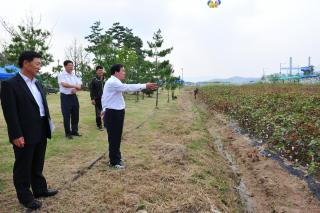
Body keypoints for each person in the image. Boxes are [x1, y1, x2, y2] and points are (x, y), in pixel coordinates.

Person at [0, 51, 58, 210]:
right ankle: (25, 196)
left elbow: (41, 106)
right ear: (26, 63)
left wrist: (48, 124)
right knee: (23, 164)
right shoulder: (10, 84)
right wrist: (16, 134)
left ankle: (39, 189)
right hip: (24, 131)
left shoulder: (37, 83)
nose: (40, 67)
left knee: (38, 161)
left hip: (40, 127)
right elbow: (10, 113)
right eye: (37, 63)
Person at [101, 64, 157, 169]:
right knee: (114, 137)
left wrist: (104, 109)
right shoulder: (113, 82)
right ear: (116, 72)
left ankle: (116, 158)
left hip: (116, 112)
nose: (124, 73)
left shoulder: (114, 82)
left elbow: (105, 97)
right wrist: (145, 85)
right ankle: (114, 162)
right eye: (123, 71)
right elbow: (127, 87)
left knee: (116, 137)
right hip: (113, 113)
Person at [58, 60, 82, 139]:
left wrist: (76, 89)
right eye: (69, 65)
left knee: (76, 114)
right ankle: (68, 133)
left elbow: (79, 84)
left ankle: (74, 131)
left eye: (72, 65)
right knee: (66, 115)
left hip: (74, 96)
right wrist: (74, 86)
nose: (71, 67)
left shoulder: (74, 75)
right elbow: (64, 84)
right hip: (65, 97)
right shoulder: (61, 74)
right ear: (65, 66)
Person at [89, 65, 105, 130]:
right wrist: (92, 99)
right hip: (97, 98)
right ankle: (99, 125)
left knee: (105, 111)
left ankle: (106, 123)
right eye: (99, 70)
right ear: (96, 71)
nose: (101, 71)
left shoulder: (104, 79)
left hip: (105, 98)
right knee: (98, 112)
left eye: (102, 70)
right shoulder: (94, 80)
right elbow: (91, 90)